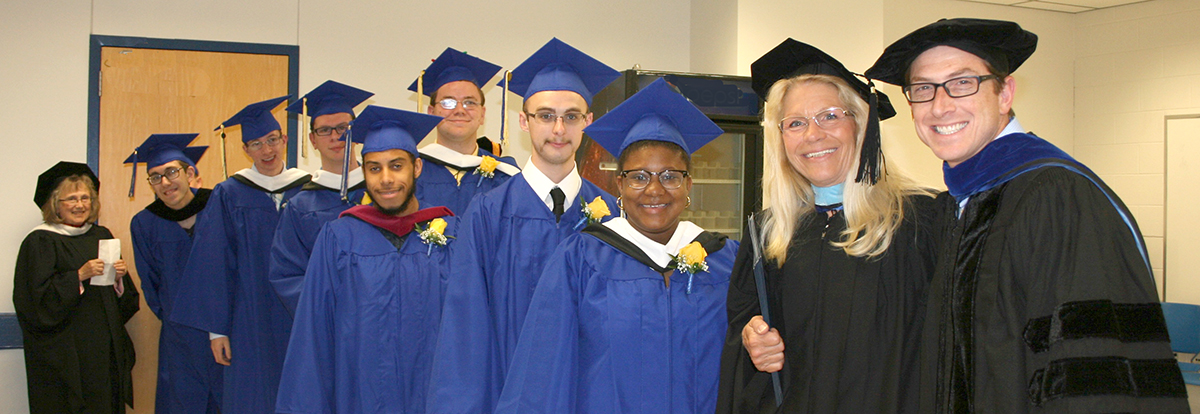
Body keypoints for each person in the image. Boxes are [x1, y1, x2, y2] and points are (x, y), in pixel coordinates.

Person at [864, 18, 1188, 412]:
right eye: (923, 89)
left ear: (1005, 93)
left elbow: (1090, 373)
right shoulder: (962, 204)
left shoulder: (1057, 197)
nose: (940, 105)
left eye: (963, 83)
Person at [717, 39, 938, 414]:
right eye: (796, 123)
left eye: (830, 116)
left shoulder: (920, 222)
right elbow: (745, 329)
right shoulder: (769, 235)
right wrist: (753, 337)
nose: (813, 135)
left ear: (861, 124)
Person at [496, 77, 736, 414]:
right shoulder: (580, 259)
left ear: (688, 185)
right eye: (639, 176)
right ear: (619, 186)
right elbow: (543, 371)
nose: (655, 190)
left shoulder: (726, 260)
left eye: (670, 176)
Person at [426, 38, 620, 414]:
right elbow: (465, 329)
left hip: (587, 397)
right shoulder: (489, 214)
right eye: (545, 115)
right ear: (523, 120)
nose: (559, 129)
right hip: (506, 395)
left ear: (589, 122)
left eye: (572, 116)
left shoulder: (610, 215)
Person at [276, 105, 454, 414]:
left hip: (433, 393)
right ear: (363, 171)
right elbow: (314, 333)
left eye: (396, 166)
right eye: (374, 168)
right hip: (360, 394)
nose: (386, 179)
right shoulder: (338, 238)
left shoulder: (452, 234)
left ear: (417, 168)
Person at [169, 95, 312, 413]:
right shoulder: (229, 193)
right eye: (256, 144)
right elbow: (213, 262)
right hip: (249, 319)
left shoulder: (309, 190)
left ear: (284, 139)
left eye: (272, 140)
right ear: (245, 149)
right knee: (253, 396)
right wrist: (217, 330)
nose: (267, 151)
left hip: (302, 314)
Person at [15, 161, 140, 413]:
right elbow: (33, 304)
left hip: (103, 352)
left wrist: (118, 280)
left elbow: (124, 304)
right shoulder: (40, 241)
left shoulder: (101, 234)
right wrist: (78, 276)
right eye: (71, 199)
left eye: (86, 198)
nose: (80, 205)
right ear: (54, 204)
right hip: (64, 356)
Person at [127, 134, 223, 413]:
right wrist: (177, 318)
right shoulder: (144, 224)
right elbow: (151, 284)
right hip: (179, 338)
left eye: (171, 172)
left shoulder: (220, 207)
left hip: (227, 332)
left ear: (190, 172)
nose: (165, 183)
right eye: (155, 177)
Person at [270, 80, 373, 314]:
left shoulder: (384, 193)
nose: (335, 137)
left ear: (355, 133)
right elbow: (287, 276)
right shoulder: (299, 206)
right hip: (327, 318)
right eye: (324, 130)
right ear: (313, 140)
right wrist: (333, 302)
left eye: (343, 128)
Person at [408, 47, 519, 214]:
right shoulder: (410, 171)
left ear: (482, 115)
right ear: (431, 113)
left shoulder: (505, 175)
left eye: (469, 103)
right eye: (448, 103)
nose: (460, 110)